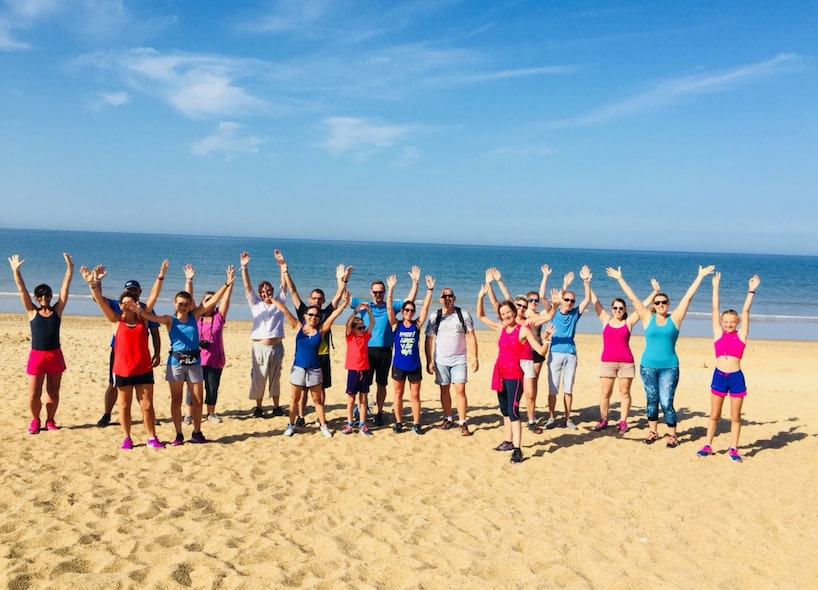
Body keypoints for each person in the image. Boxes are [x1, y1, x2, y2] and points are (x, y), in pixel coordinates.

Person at [608, 264, 715, 447]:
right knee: (652, 400)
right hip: (648, 366)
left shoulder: (675, 319)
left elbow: (688, 298)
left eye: (663, 302)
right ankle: (653, 432)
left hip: (669, 367)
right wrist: (620, 278)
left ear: (668, 304)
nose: (660, 305)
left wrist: (700, 276)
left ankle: (672, 435)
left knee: (666, 401)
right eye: (657, 303)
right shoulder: (647, 318)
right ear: (653, 305)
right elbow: (633, 299)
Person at [137, 266, 236, 445]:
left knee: (198, 400)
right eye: (180, 303)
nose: (183, 306)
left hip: (195, 362)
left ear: (190, 304)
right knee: (177, 401)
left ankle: (197, 432)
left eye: (186, 303)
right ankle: (179, 434)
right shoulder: (169, 319)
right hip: (175, 362)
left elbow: (213, 300)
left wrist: (227, 283)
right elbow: (151, 318)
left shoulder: (194, 315)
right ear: (175, 303)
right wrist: (138, 311)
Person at [82, 265, 163, 450]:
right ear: (120, 305)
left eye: (131, 301)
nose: (128, 304)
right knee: (124, 406)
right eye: (124, 302)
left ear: (137, 304)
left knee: (148, 406)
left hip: (143, 369)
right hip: (123, 370)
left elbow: (153, 297)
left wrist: (161, 277)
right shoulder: (115, 321)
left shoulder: (144, 318)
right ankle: (127, 438)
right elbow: (100, 302)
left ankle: (152, 437)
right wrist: (93, 284)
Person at [477, 287, 553, 464]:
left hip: (515, 376)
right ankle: (508, 441)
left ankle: (517, 450)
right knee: (504, 410)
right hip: (500, 374)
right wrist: (480, 297)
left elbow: (541, 350)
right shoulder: (501, 328)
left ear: (514, 312)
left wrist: (547, 338)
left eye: (508, 312)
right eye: (502, 314)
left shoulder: (523, 330)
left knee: (513, 411)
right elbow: (480, 316)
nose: (506, 316)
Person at [275, 249, 351, 427]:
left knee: (320, 390)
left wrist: (343, 280)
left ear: (323, 301)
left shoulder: (325, 313)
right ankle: (300, 416)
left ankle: (319, 418)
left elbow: (339, 296)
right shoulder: (303, 311)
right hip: (304, 357)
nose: (316, 300)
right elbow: (292, 291)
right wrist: (285, 270)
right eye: (314, 297)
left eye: (320, 298)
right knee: (300, 391)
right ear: (310, 298)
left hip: (323, 356)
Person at [484, 266, 560, 434]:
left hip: (529, 359)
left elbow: (548, 316)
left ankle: (531, 420)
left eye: (525, 306)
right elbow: (496, 302)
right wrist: (494, 283)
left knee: (530, 393)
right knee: (515, 396)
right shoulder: (507, 320)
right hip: (511, 362)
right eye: (519, 305)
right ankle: (514, 421)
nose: (522, 308)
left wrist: (556, 304)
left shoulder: (528, 321)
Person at [268, 289, 350, 437]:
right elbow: (285, 311)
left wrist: (344, 305)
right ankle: (291, 425)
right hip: (298, 369)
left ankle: (323, 426)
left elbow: (332, 316)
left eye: (316, 315)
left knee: (317, 400)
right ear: (305, 315)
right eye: (310, 314)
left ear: (319, 318)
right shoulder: (298, 327)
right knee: (294, 399)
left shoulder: (321, 330)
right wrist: (271, 299)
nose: (313, 317)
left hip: (314, 370)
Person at [697, 272, 760, 462]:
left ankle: (733, 448)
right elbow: (715, 308)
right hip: (719, 376)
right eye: (726, 322)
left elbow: (746, 311)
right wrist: (715, 286)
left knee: (735, 416)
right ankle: (708, 445)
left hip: (736, 378)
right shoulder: (718, 333)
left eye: (732, 322)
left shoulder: (742, 335)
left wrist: (751, 290)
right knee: (714, 415)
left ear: (737, 323)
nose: (729, 324)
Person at [8, 253, 73, 434]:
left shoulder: (57, 311)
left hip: (55, 355)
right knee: (34, 394)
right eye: (41, 296)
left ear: (51, 296)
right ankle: (35, 420)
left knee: (53, 393)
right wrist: (16, 271)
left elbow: (65, 288)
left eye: (47, 296)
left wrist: (70, 268)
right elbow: (22, 290)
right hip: (37, 356)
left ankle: (50, 420)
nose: (44, 299)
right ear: (37, 298)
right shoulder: (32, 311)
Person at [588, 278, 660, 434]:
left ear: (625, 309)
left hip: (626, 363)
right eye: (615, 308)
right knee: (605, 393)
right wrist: (586, 283)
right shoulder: (606, 320)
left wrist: (655, 292)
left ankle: (623, 422)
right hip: (607, 362)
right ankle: (603, 419)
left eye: (621, 308)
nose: (618, 310)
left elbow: (642, 306)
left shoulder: (629, 322)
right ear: (611, 309)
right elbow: (595, 302)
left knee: (625, 393)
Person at [351, 267, 420, 427]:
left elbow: (409, 302)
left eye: (381, 292)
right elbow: (344, 299)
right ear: (370, 292)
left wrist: (415, 283)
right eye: (375, 292)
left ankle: (379, 412)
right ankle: (362, 408)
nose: (378, 295)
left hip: (385, 351)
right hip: (366, 351)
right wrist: (343, 280)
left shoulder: (392, 306)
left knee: (381, 384)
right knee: (364, 384)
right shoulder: (363, 305)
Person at [539, 266, 592, 429]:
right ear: (561, 300)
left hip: (570, 354)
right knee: (553, 388)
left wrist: (586, 282)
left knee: (568, 388)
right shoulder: (553, 311)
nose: (569, 303)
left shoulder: (575, 313)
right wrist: (546, 276)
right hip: (554, 353)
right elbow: (541, 296)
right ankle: (551, 417)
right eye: (567, 299)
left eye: (572, 301)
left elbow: (587, 299)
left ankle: (568, 418)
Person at [182, 264, 233, 424]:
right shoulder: (195, 315)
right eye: (206, 300)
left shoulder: (219, 316)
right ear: (202, 302)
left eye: (212, 300)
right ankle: (189, 415)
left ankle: (210, 413)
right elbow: (188, 298)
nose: (210, 303)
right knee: (192, 388)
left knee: (212, 388)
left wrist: (229, 282)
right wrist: (189, 280)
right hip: (196, 359)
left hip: (215, 359)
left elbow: (226, 299)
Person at [424, 287, 479, 436]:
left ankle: (462, 422)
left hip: (459, 359)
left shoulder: (463, 314)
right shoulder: (436, 316)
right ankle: (448, 418)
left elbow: (471, 336)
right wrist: (429, 360)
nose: (447, 298)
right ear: (440, 299)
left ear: (454, 298)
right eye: (444, 296)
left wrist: (474, 357)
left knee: (460, 389)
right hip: (440, 359)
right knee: (444, 389)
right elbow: (429, 339)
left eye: (450, 296)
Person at [385, 273, 435, 434]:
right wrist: (390, 289)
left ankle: (416, 423)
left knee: (415, 395)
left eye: (412, 310)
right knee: (398, 394)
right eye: (406, 309)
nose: (409, 312)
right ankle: (398, 422)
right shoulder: (396, 324)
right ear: (402, 311)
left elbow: (426, 308)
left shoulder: (417, 324)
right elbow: (389, 308)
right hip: (399, 365)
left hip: (414, 365)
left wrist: (429, 289)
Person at [240, 251, 288, 418]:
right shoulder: (256, 304)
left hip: (277, 347)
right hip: (260, 347)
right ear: (260, 294)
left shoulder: (279, 302)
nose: (266, 293)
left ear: (272, 290)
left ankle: (276, 407)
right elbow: (247, 287)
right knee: (258, 377)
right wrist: (244, 267)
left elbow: (284, 285)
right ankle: (258, 407)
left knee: (276, 378)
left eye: (268, 290)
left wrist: (282, 266)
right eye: (263, 291)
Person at [344, 303, 376, 436]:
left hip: (364, 370)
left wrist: (369, 312)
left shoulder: (365, 337)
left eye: (363, 327)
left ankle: (363, 424)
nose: (363, 329)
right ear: (353, 329)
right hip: (353, 370)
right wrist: (356, 312)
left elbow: (372, 324)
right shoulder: (350, 337)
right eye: (360, 328)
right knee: (351, 398)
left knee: (363, 399)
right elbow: (347, 324)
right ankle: (350, 424)